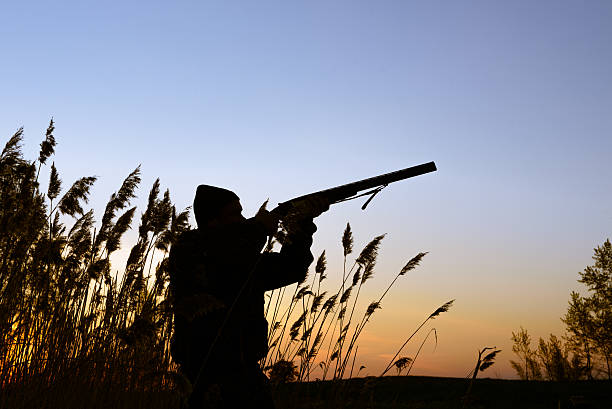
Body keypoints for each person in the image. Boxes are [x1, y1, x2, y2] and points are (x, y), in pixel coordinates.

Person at [168, 185, 328, 409]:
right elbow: (225, 256)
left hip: (246, 376)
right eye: (235, 214)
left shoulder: (243, 261)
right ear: (212, 221)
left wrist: (302, 225)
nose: (243, 219)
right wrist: (259, 228)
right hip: (203, 379)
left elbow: (291, 268)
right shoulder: (190, 250)